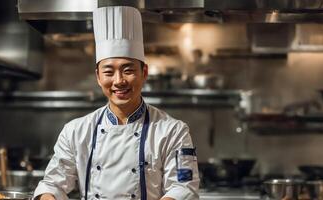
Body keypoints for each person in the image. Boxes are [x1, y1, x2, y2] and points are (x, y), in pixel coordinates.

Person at [33, 6, 199, 200]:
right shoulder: (75, 131)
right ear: (98, 76)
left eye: (128, 70)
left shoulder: (173, 131)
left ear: (144, 72)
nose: (119, 81)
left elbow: (183, 187)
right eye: (109, 72)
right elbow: (52, 184)